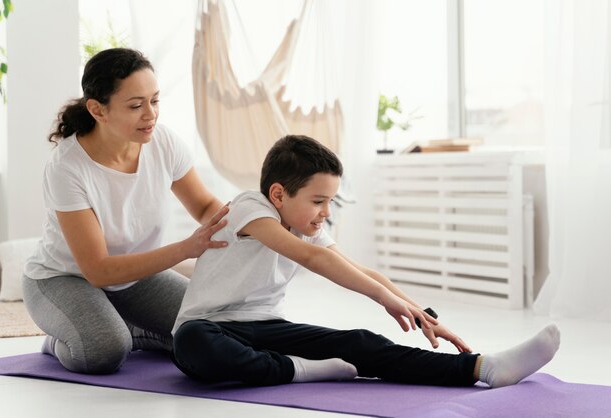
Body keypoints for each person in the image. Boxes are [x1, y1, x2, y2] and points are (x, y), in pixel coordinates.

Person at [171, 135, 560, 388]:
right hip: (209, 328)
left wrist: (420, 312)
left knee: (362, 342)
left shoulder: (304, 224)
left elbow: (360, 270)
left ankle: (482, 368)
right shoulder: (248, 208)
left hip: (265, 328)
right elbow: (311, 258)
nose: (325, 212)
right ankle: (302, 369)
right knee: (193, 343)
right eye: (318, 201)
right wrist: (381, 299)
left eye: (331, 201)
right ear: (278, 194)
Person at [22, 48, 229, 375]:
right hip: (64, 279)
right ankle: (63, 339)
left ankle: (129, 327)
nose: (151, 115)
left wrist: (250, 226)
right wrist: (187, 249)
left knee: (216, 328)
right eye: (135, 105)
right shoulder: (68, 168)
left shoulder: (164, 143)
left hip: (134, 277)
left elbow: (204, 206)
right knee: (103, 350)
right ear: (97, 110)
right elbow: (99, 271)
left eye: (155, 101)